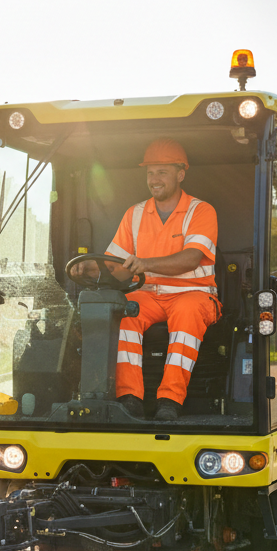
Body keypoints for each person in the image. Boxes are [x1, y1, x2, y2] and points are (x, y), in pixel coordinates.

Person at [69, 138, 219, 422]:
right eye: (150, 173)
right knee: (123, 311)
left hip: (193, 293)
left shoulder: (200, 211)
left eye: (162, 172)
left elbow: (191, 259)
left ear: (180, 174)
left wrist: (145, 263)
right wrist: (89, 268)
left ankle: (170, 400)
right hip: (148, 294)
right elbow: (116, 267)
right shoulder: (134, 214)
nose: (154, 179)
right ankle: (130, 399)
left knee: (187, 313)